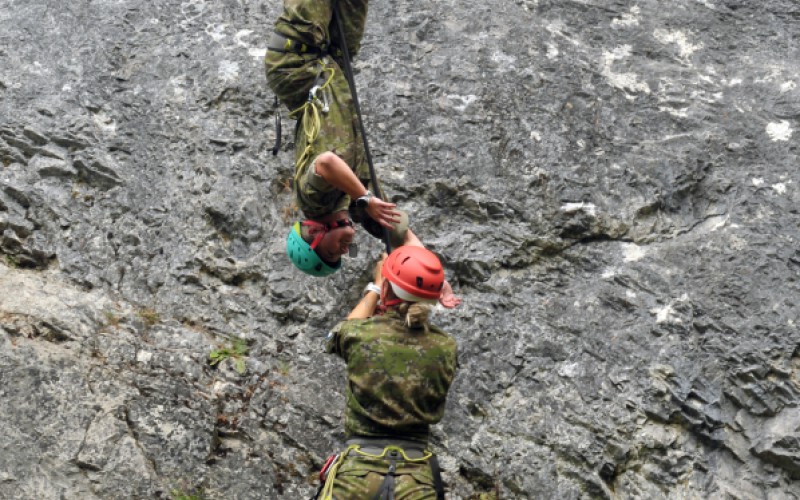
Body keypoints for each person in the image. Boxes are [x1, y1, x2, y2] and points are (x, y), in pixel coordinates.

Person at [265, 1, 460, 309]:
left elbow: (326, 163)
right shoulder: (358, 209)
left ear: (313, 232)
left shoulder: (314, 201)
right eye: (343, 256)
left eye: (331, 252)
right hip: (331, 62)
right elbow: (404, 240)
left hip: (295, 63)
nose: (345, 249)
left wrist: (366, 198)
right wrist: (436, 283)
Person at [315, 247, 458, 499]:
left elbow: (338, 334)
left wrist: (375, 287)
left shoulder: (361, 335)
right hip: (415, 478)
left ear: (387, 289)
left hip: (357, 473)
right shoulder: (446, 347)